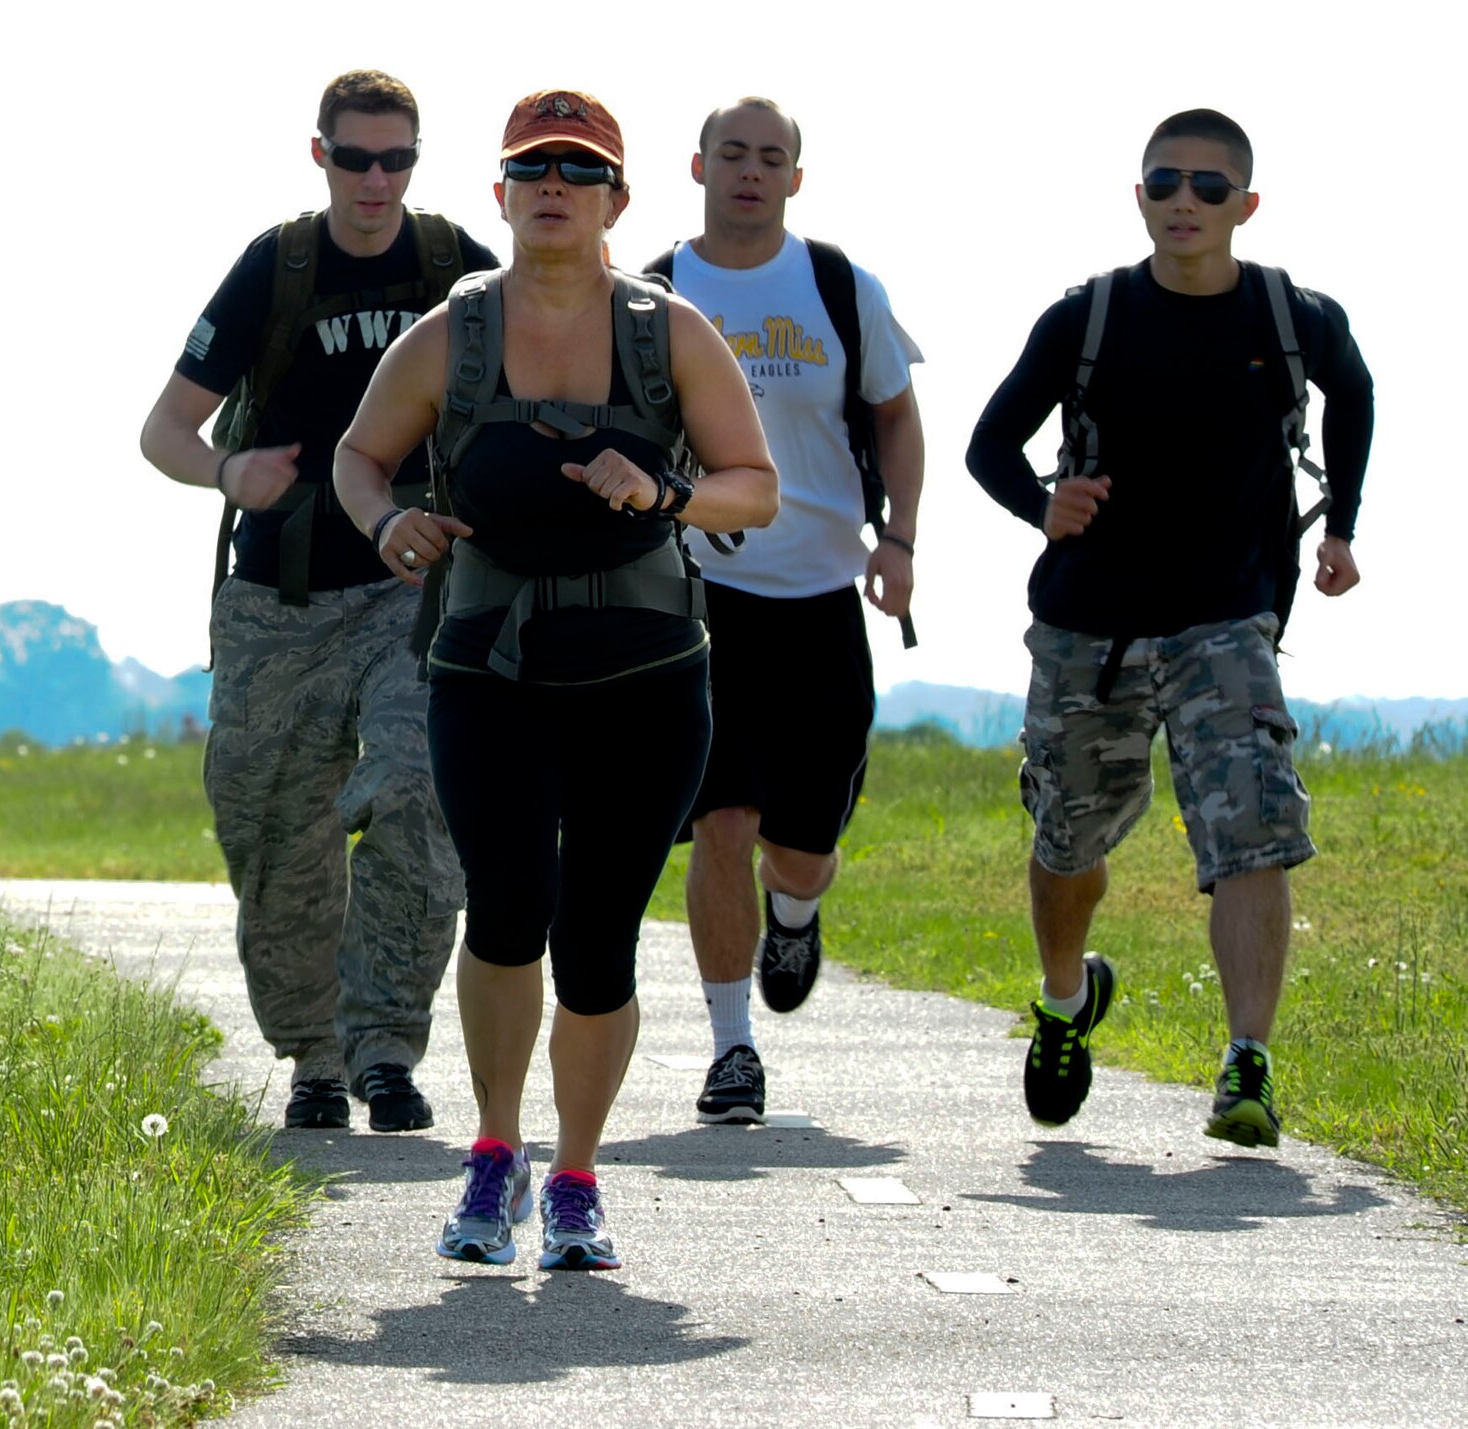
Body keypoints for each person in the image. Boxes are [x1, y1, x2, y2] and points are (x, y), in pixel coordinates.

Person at [336, 89, 778, 1269]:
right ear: (498, 192)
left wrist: (666, 494)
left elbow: (754, 486)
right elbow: (358, 457)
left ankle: (576, 1174)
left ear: (616, 201)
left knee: (596, 939)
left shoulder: (668, 332)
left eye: (579, 171)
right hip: (488, 669)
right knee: (506, 908)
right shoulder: (450, 333)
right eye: (531, 165)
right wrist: (389, 525)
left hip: (644, 677)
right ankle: (493, 1152)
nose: (553, 186)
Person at [966, 108, 1373, 1148]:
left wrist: (1341, 529)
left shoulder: (1287, 316)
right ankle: (1064, 1000)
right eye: (1162, 183)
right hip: (1085, 627)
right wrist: (1038, 505)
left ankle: (1247, 1061)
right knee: (1068, 841)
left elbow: (1353, 390)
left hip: (1226, 620)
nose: (1181, 202)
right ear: (1137, 197)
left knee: (1251, 833)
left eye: (1204, 186)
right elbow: (989, 444)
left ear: (1244, 203)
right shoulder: (1088, 318)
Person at [139, 70, 500, 1133]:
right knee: (272, 828)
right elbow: (162, 429)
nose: (377, 180)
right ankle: (314, 1057)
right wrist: (222, 473)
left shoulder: (453, 270)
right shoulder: (276, 267)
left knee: (413, 791)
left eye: (397, 159)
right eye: (357, 158)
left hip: (413, 587)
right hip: (282, 596)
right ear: (321, 157)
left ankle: (385, 1044)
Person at [645, 98, 925, 1125]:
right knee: (720, 818)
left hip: (818, 594)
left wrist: (897, 541)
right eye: (732, 154)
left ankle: (795, 910)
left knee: (800, 837)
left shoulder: (840, 289)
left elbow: (895, 417)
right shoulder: (652, 292)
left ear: (793, 179)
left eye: (770, 159)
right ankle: (731, 1049)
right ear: (698, 167)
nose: (749, 173)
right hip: (697, 597)